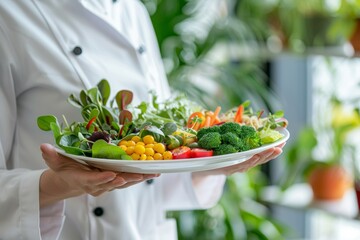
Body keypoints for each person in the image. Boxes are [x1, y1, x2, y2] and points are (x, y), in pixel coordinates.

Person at [0, 1, 284, 239]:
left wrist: (214, 163)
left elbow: (153, 165)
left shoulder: (131, 8)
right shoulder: (10, 13)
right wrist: (58, 185)